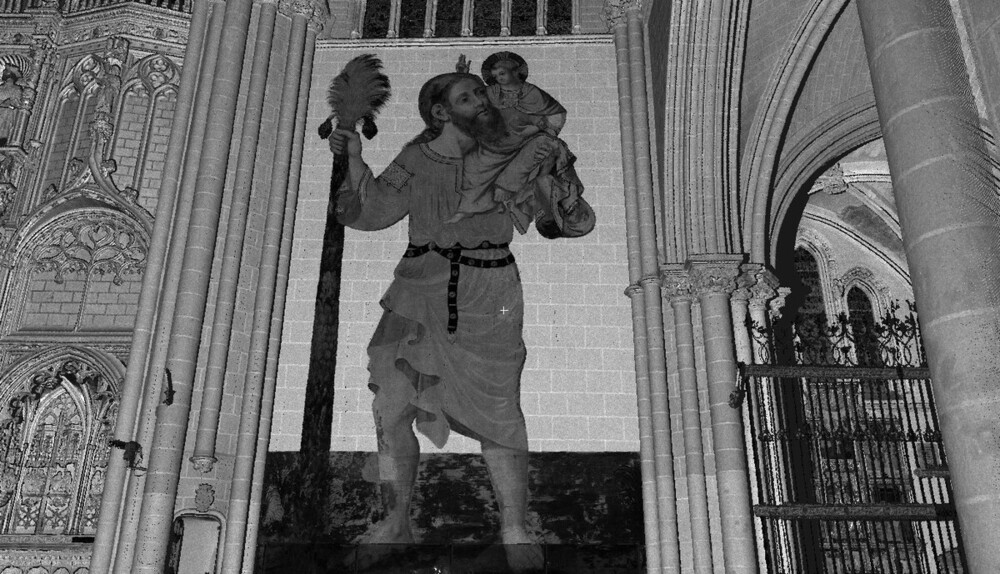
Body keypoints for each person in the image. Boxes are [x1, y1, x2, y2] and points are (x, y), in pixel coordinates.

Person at [328, 70, 593, 570]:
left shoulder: (514, 153)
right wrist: (354, 159)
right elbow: (374, 211)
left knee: (498, 408)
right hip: (416, 287)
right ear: (440, 112)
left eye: (482, 93)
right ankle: (397, 521)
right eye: (468, 96)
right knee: (391, 404)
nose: (483, 101)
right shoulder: (416, 158)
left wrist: (562, 183)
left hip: (487, 287)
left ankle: (514, 526)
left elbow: (563, 224)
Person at [443, 52, 584, 232]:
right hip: (492, 146)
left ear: (515, 72)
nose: (498, 79)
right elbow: (470, 96)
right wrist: (462, 76)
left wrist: (542, 130)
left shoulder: (532, 93)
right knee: (470, 166)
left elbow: (557, 115)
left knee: (543, 144)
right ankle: (464, 210)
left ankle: (507, 187)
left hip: (524, 144)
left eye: (502, 73)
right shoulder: (491, 92)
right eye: (494, 76)